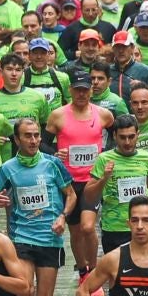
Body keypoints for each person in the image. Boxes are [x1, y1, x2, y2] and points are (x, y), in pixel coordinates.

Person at [0, 117, 77, 296]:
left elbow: (70, 195)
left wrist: (63, 217)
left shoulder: (52, 164)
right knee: (25, 289)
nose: (33, 140)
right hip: (21, 238)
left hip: (50, 238)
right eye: (27, 136)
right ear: (17, 140)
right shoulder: (8, 168)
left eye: (37, 135)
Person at [48, 66, 112, 275]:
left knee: (87, 227)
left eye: (85, 89)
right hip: (68, 182)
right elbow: (43, 143)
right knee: (75, 232)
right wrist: (54, 155)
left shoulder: (103, 114)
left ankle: (94, 270)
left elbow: (118, 134)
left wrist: (107, 156)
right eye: (77, 90)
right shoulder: (57, 115)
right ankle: (83, 271)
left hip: (92, 180)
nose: (82, 94)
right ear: (70, 90)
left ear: (91, 90)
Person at [87, 116, 148, 256]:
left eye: (131, 137)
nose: (127, 142)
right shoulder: (104, 159)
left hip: (142, 226)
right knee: (116, 274)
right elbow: (89, 196)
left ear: (138, 135)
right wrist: (104, 179)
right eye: (122, 137)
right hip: (114, 227)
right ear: (114, 136)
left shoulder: (146, 158)